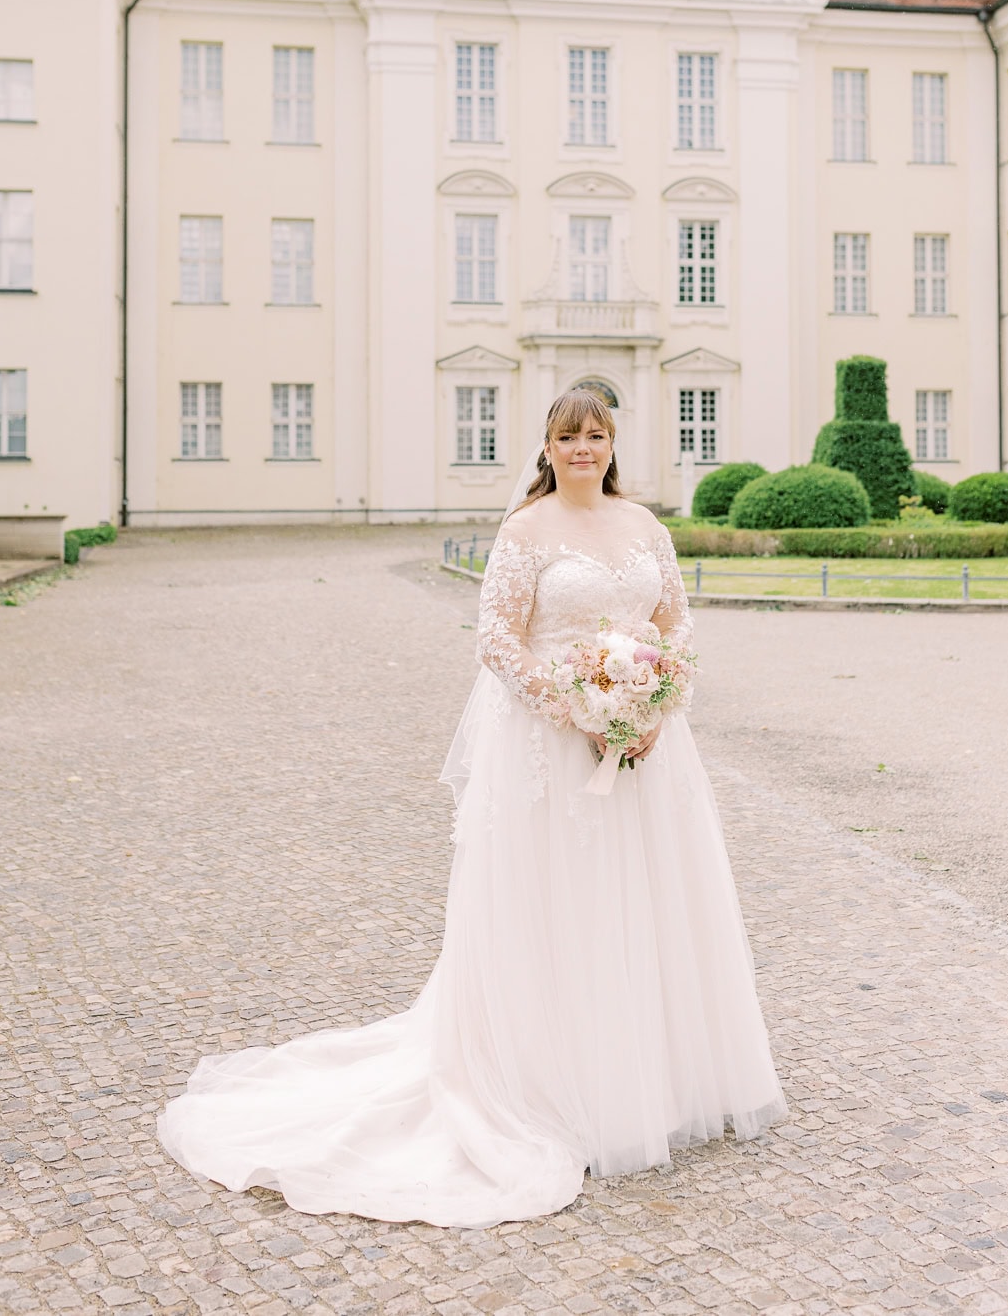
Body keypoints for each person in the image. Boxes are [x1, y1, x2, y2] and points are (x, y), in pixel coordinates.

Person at [157, 389, 786, 1226]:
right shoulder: (525, 531)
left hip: (646, 749)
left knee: (647, 901)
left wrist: (651, 708)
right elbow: (496, 637)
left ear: (613, 444)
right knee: (563, 907)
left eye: (597, 435)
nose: (584, 448)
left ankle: (651, 1084)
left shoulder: (645, 526)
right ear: (548, 446)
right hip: (553, 746)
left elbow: (677, 625)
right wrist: (580, 707)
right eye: (569, 436)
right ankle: (558, 1086)